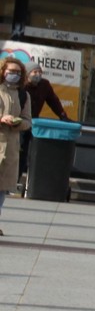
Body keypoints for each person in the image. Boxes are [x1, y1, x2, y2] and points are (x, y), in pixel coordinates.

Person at [0, 55, 27, 233]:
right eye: (11, 71)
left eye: (18, 72)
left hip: (10, 148)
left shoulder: (24, 95)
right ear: (3, 71)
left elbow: (28, 120)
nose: (14, 75)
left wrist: (18, 123)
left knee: (2, 190)